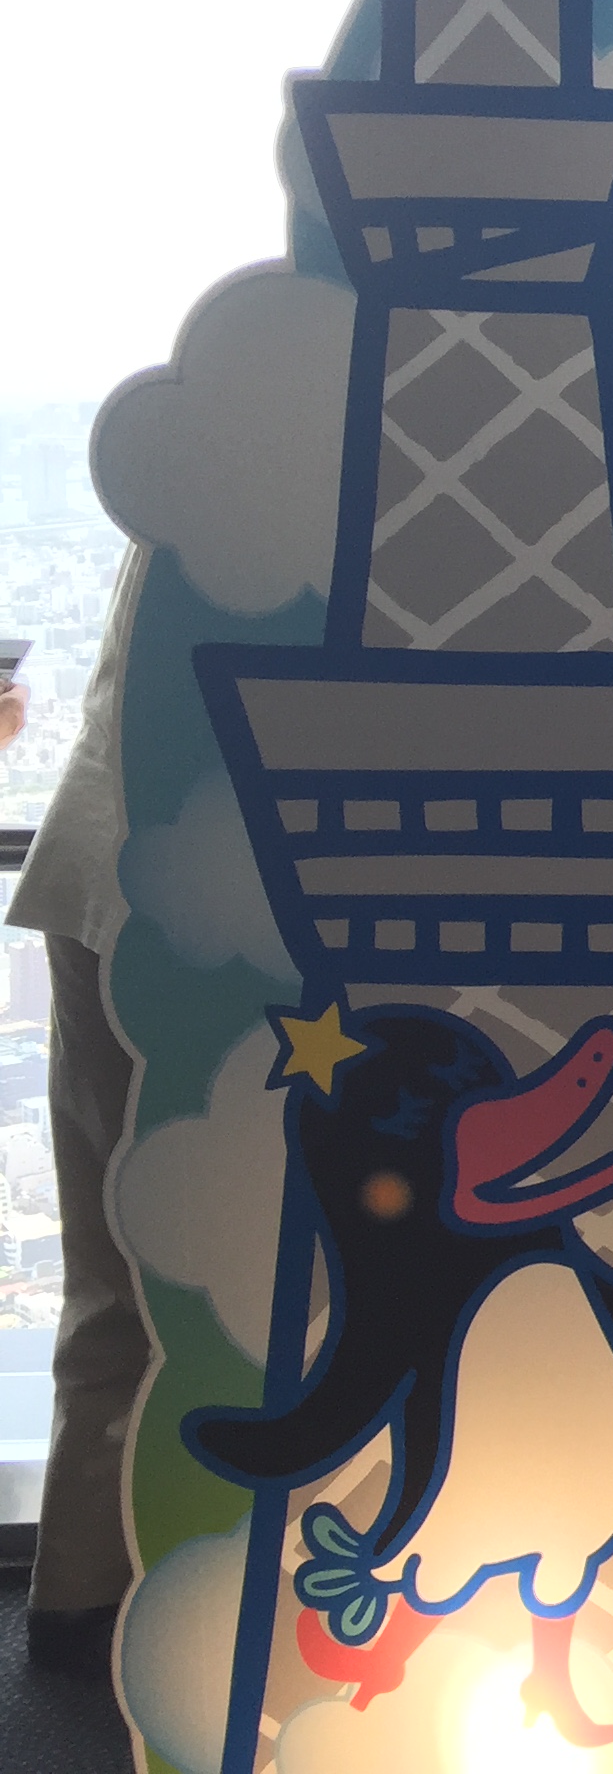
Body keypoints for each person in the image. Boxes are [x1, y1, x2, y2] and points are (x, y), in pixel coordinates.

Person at [3, 542, 148, 1679]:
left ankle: (81, 1595)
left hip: (107, 865)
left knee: (116, 1269)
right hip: (177, 891)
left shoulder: (215, 469)